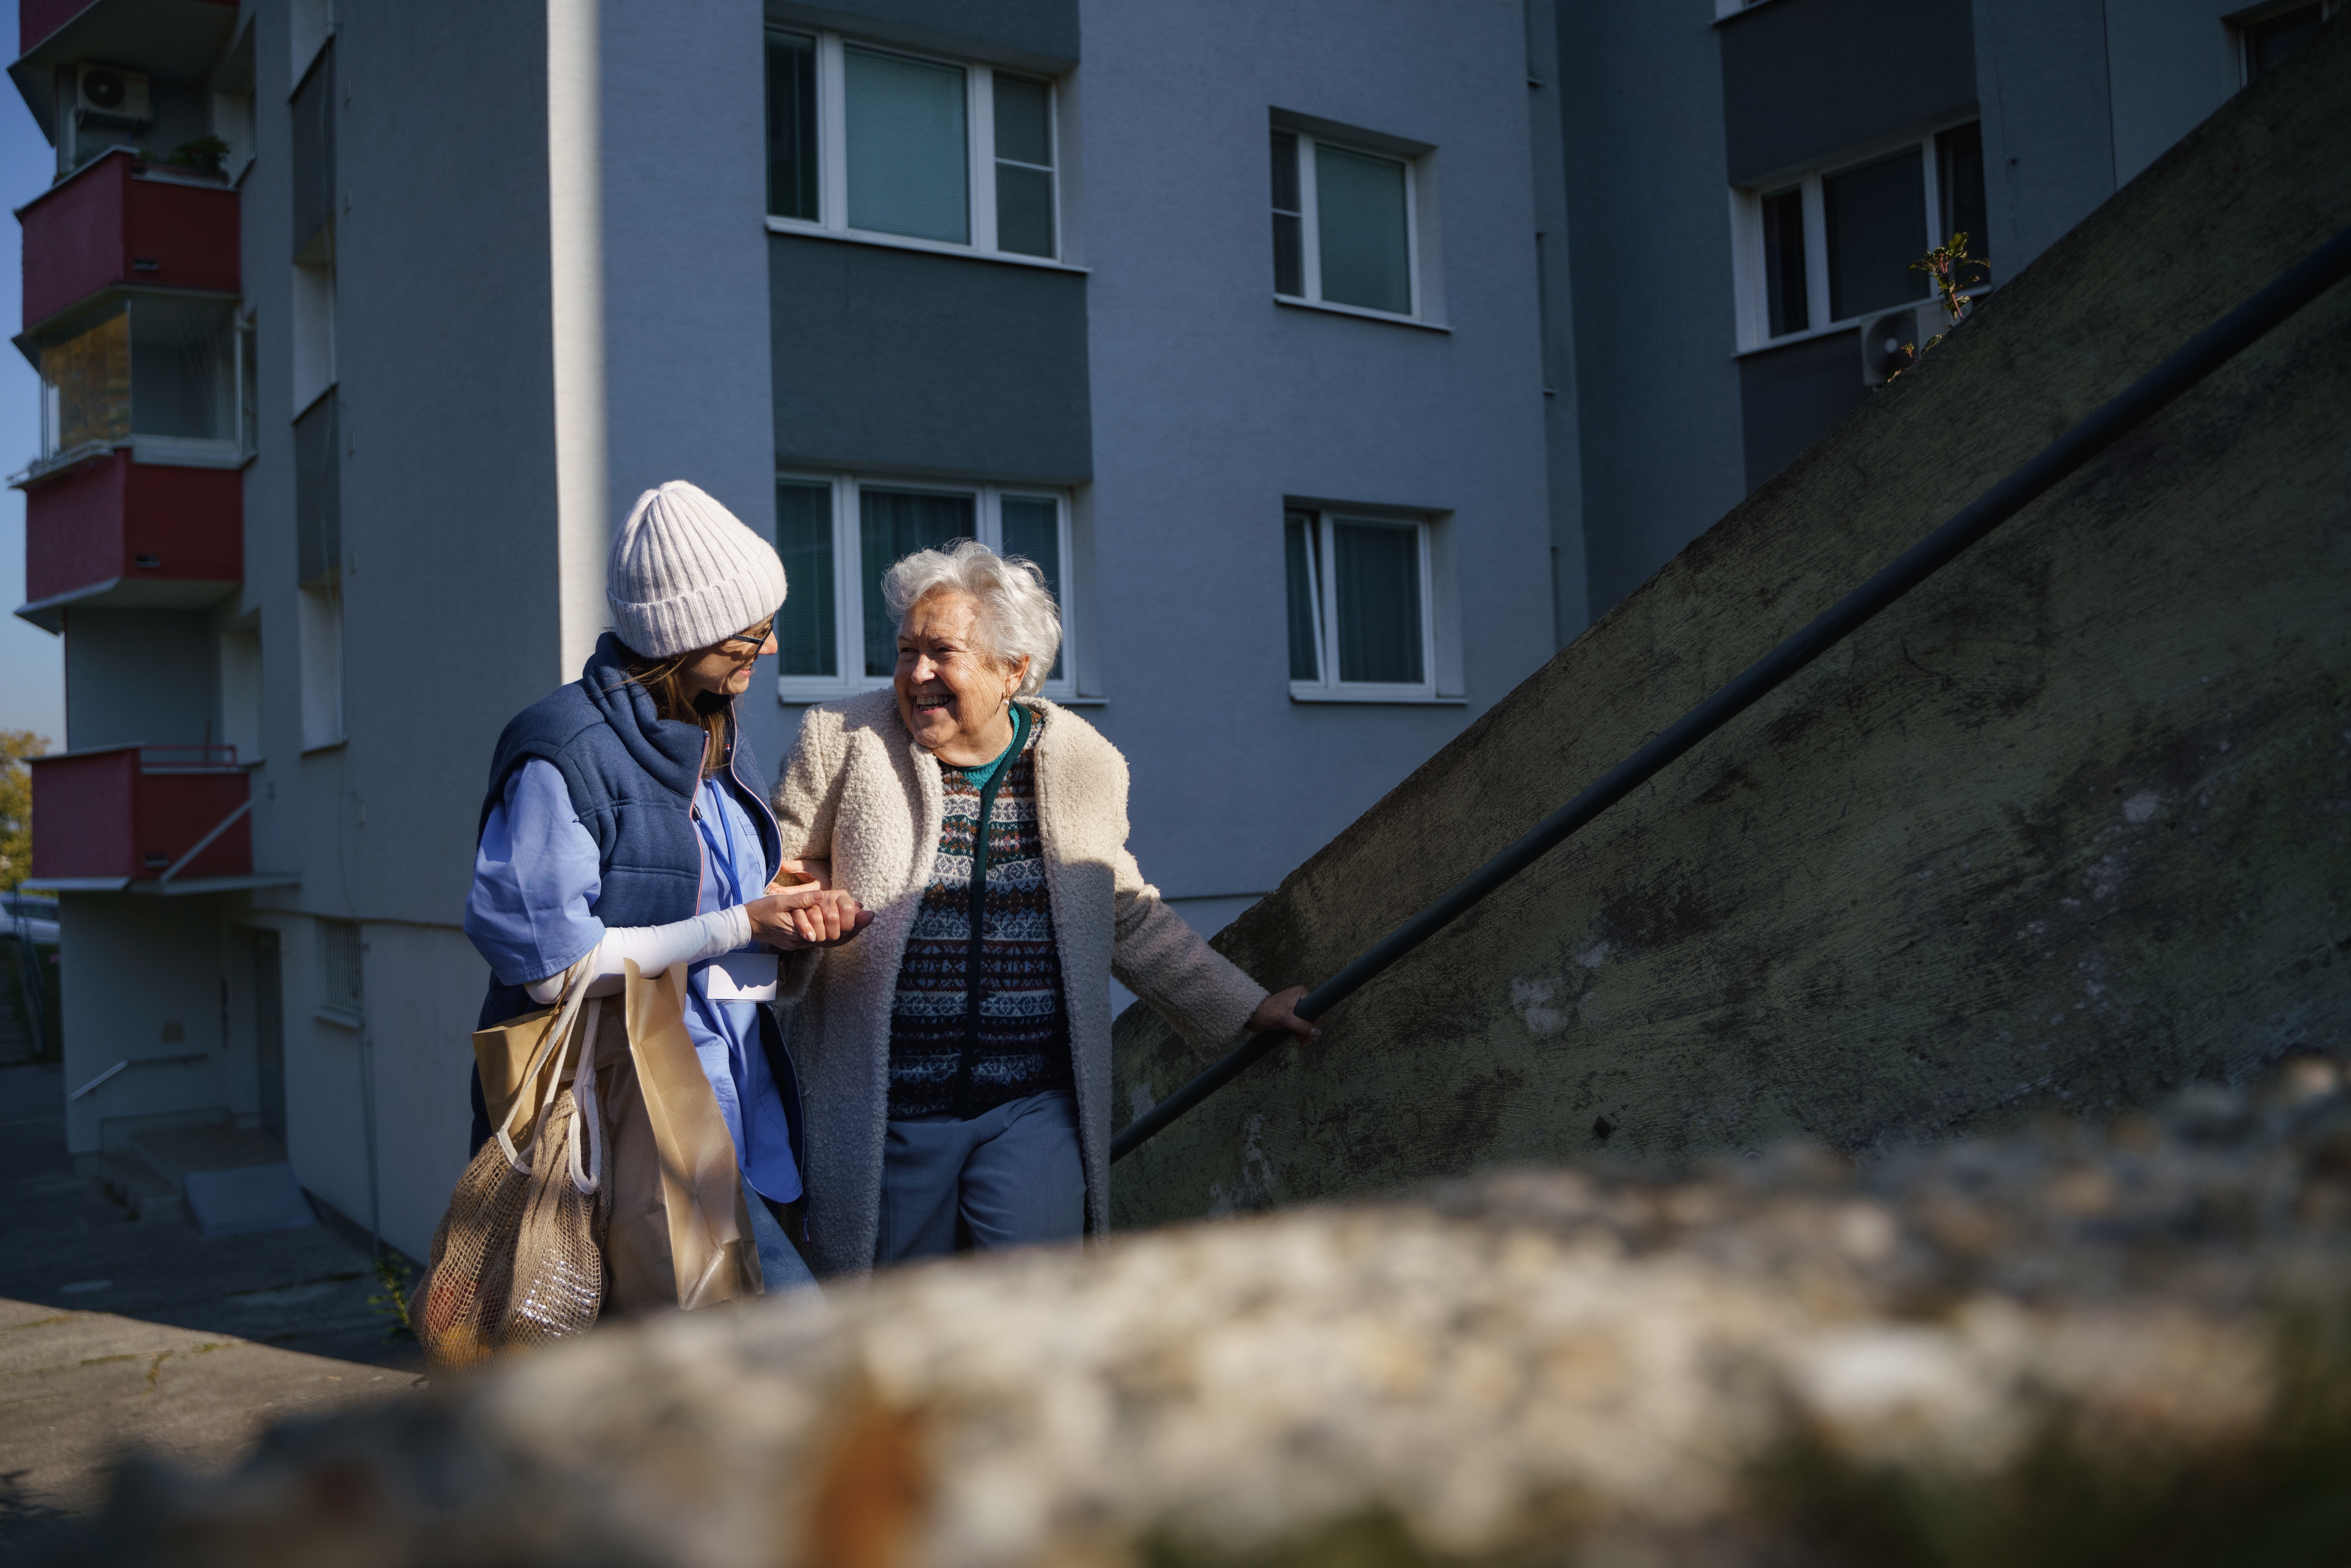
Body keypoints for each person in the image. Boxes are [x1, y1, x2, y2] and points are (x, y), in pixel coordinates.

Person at [771, 539, 1317, 1276]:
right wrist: (794, 906)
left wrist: (1245, 1007)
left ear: (1012, 671)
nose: (917, 675)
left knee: (1037, 1311)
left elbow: (1121, 910)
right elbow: (773, 871)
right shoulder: (841, 742)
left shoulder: (1085, 763)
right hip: (887, 1113)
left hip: (1030, 1107)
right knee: (900, 1333)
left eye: (942, 653)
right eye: (905, 652)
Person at [463, 480, 871, 1295]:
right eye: (750, 637)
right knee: (791, 1344)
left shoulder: (712, 730)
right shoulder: (561, 752)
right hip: (632, 1115)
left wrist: (779, 898)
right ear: (684, 640)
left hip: (734, 1090)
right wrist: (736, 924)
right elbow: (551, 968)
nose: (772, 650)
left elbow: (690, 883)